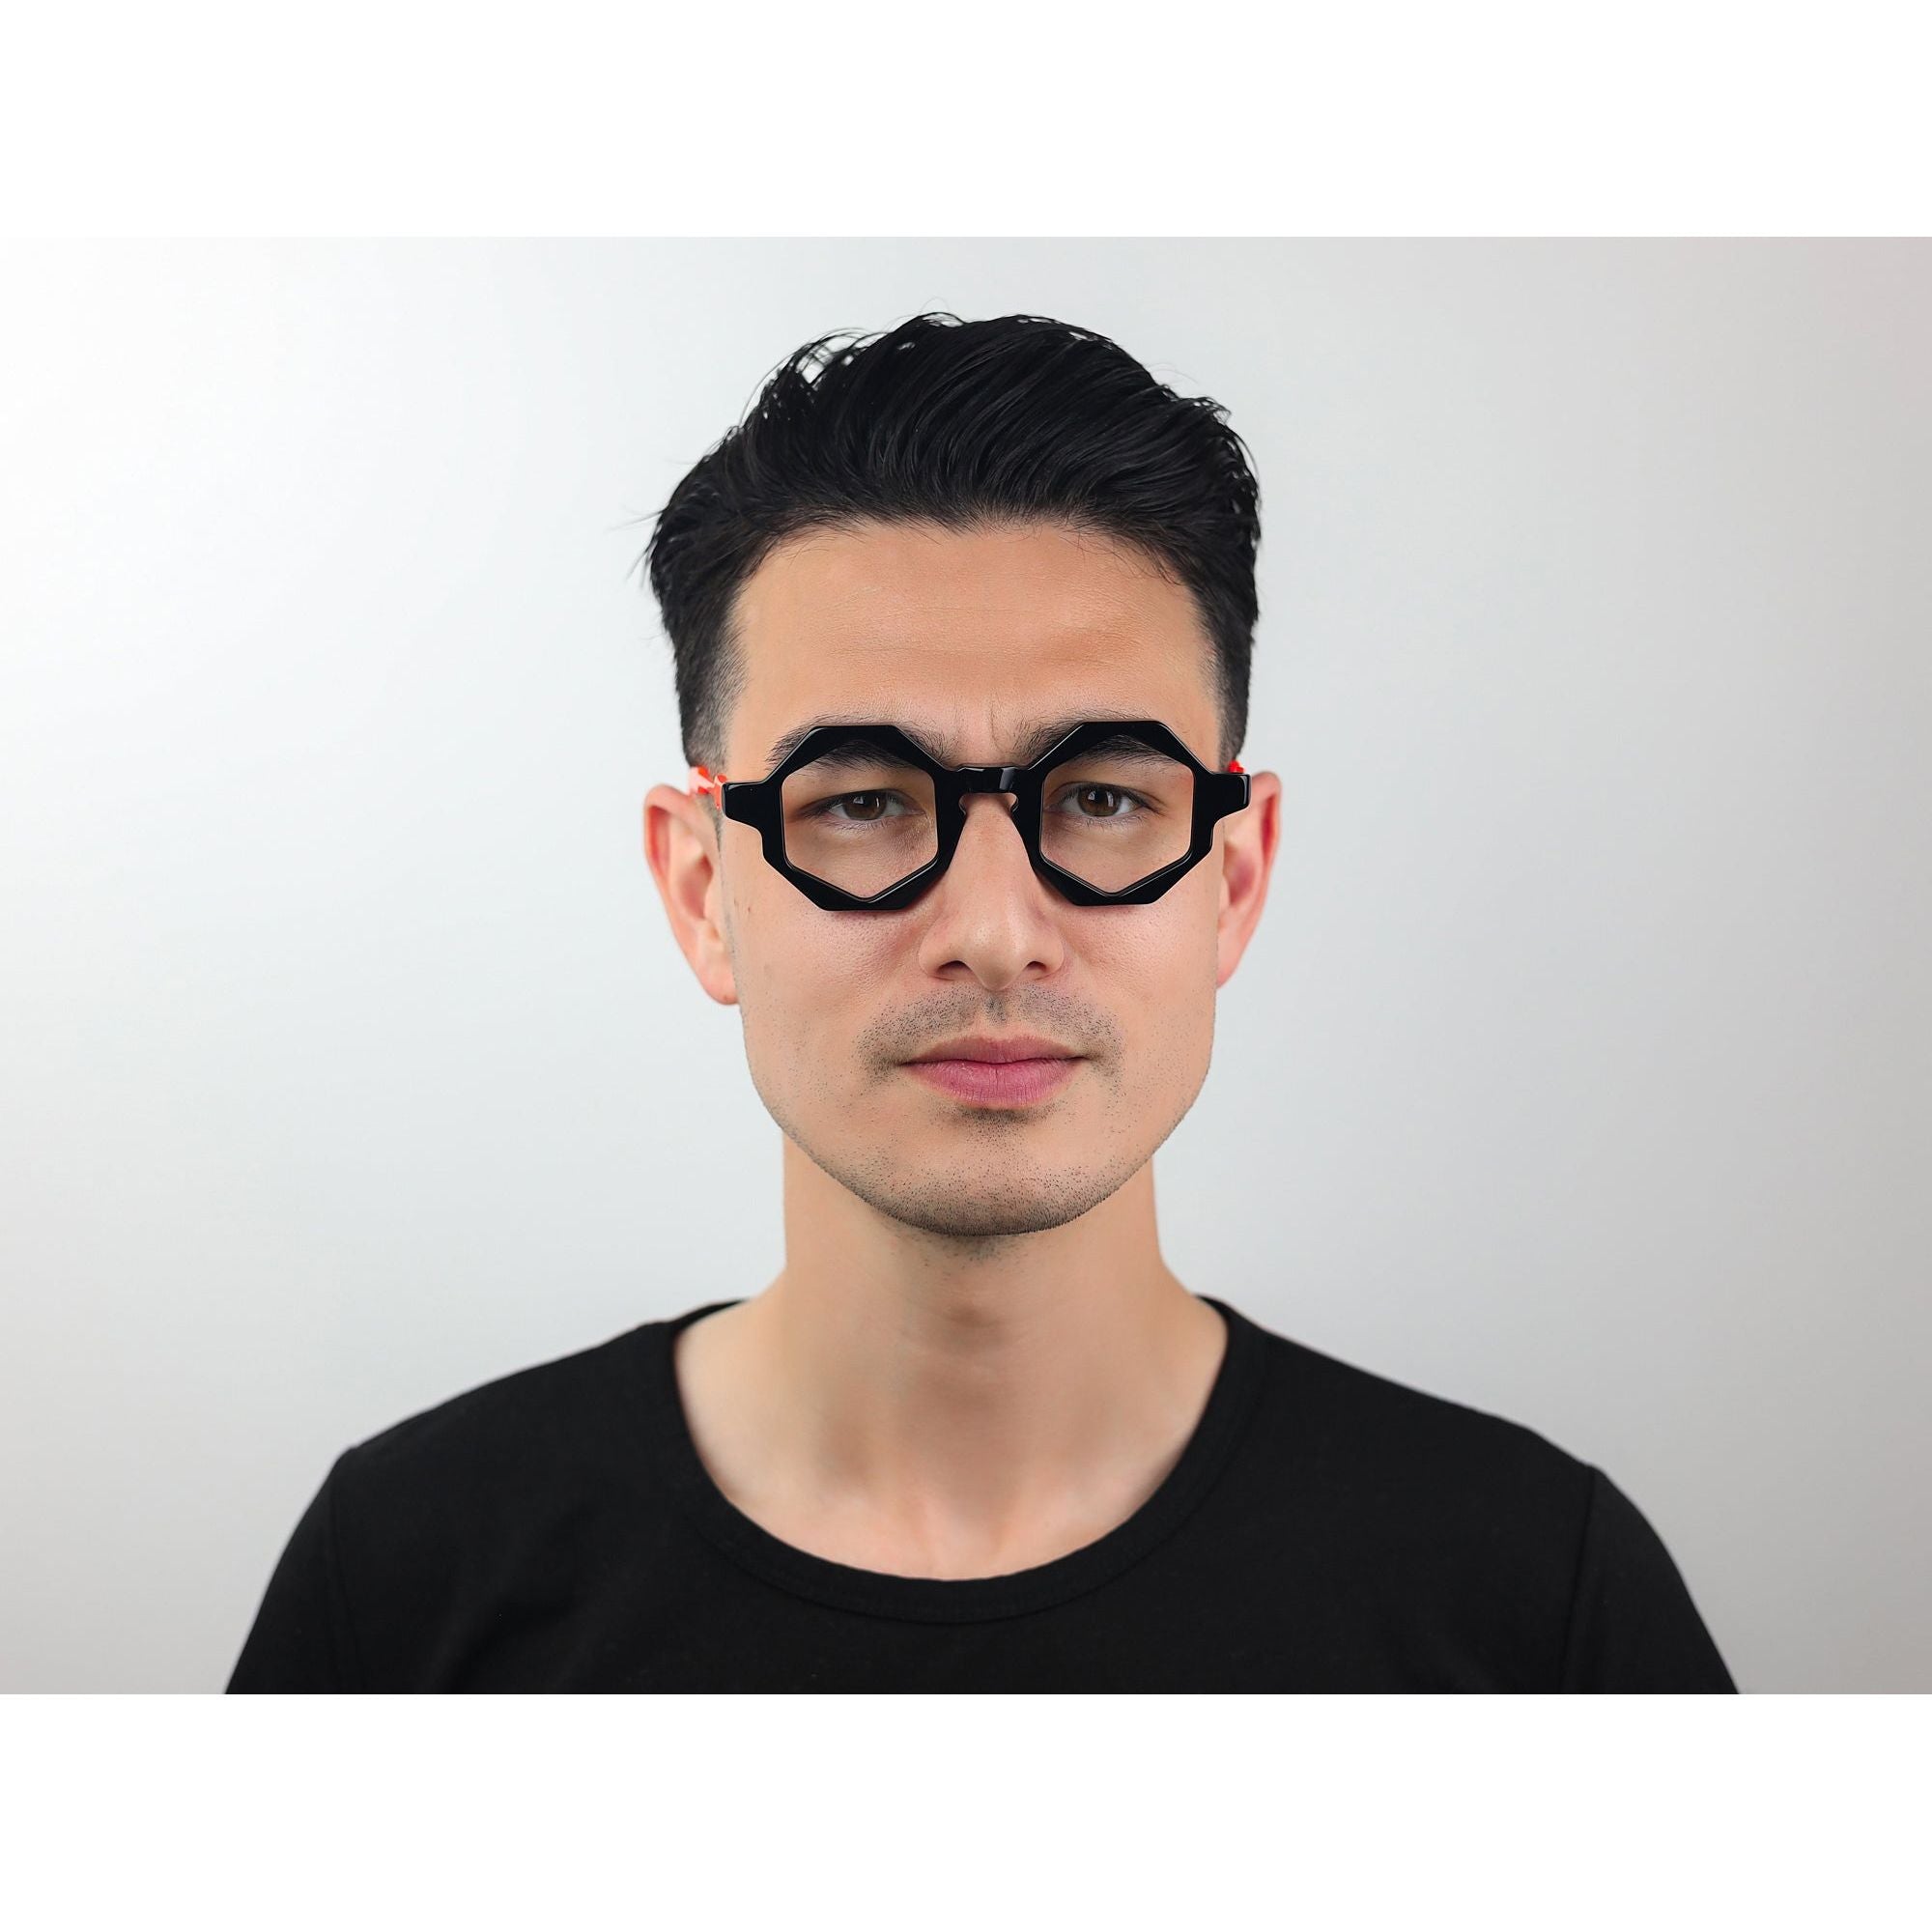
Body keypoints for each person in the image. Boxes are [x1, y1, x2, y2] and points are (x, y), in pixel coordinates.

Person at [228, 311, 1735, 1691]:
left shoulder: (1535, 1604)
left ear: (1236, 874)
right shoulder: (408, 1580)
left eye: (1103, 798)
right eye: (865, 803)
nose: (998, 934)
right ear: (701, 890)